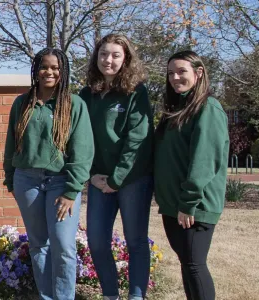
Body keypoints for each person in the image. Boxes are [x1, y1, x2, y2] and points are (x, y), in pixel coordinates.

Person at [3, 48, 94, 300]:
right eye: (44, 67)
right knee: (38, 244)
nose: (49, 72)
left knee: (63, 245)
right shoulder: (23, 103)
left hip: (61, 183)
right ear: (36, 70)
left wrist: (71, 190)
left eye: (55, 67)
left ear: (63, 71)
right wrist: (11, 178)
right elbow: (12, 143)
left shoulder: (74, 104)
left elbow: (83, 151)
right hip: (27, 181)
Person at [79, 34, 155, 300]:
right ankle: (111, 295)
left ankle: (136, 296)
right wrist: (91, 175)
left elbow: (138, 138)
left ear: (126, 59)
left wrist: (117, 178)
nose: (108, 60)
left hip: (133, 179)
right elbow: (79, 138)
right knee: (97, 241)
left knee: (136, 242)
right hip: (99, 179)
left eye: (115, 55)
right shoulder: (87, 94)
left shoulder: (136, 92)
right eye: (103, 54)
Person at [155, 50, 227, 300]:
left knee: (195, 264)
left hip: (194, 206)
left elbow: (204, 161)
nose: (175, 77)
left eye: (181, 71)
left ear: (198, 73)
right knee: (188, 263)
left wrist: (188, 203)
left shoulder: (208, 108)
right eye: (171, 73)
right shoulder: (177, 108)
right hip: (174, 205)